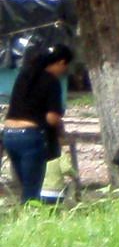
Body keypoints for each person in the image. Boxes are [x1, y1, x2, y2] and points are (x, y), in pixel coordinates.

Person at [2, 39, 70, 204]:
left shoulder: (24, 75)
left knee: (25, 186)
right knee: (33, 190)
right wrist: (60, 129)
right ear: (61, 62)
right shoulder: (52, 81)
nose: (65, 71)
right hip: (30, 137)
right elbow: (51, 118)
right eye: (66, 67)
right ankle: (32, 216)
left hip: (9, 135)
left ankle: (25, 214)